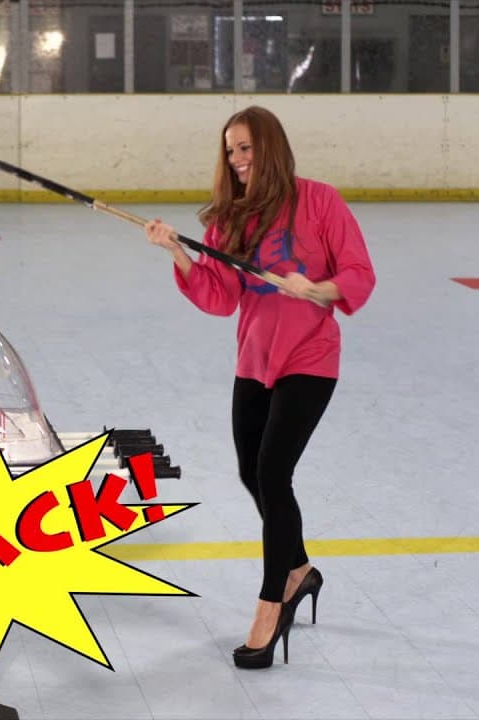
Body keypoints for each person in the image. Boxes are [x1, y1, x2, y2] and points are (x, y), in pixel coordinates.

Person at [144, 106, 375, 670]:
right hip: (254, 360)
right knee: (252, 473)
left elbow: (359, 274)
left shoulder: (320, 201)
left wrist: (317, 289)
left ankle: (272, 607)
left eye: (245, 148)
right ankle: (299, 570)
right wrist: (178, 252)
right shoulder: (231, 219)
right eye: (230, 151)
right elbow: (221, 298)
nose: (237, 160)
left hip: (310, 357)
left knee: (273, 473)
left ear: (269, 147)